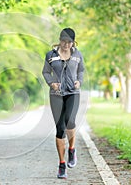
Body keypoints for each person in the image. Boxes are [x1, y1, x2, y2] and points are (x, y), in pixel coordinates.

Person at [42, 28, 85, 179]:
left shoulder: (77, 54)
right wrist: (51, 83)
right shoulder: (51, 55)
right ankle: (62, 164)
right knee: (60, 128)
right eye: (63, 41)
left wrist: (79, 81)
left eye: (69, 42)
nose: (66, 45)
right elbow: (46, 72)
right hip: (56, 95)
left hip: (73, 93)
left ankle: (72, 149)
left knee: (70, 122)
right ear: (59, 40)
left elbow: (81, 70)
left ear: (73, 42)